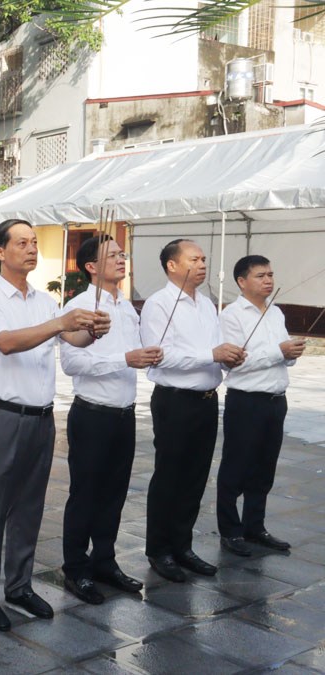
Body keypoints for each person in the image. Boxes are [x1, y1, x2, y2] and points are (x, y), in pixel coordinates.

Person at [0, 219, 109, 632]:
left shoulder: (46, 301)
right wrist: (61, 323)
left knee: (30, 508)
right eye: (22, 243)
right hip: (5, 416)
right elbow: (7, 343)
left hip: (42, 417)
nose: (32, 249)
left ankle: (19, 585)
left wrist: (92, 331)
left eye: (34, 242)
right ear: (0, 252)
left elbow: (71, 340)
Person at [59, 236, 162, 604]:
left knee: (114, 494)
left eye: (123, 254)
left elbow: (131, 353)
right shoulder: (79, 307)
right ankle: (75, 568)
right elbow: (72, 363)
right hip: (92, 413)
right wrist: (125, 359)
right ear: (90, 266)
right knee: (85, 494)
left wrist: (146, 356)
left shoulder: (127, 307)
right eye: (113, 255)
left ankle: (104, 560)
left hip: (124, 413)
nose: (122, 260)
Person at [140, 239, 245, 582]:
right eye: (194, 259)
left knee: (196, 477)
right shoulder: (159, 304)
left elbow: (212, 350)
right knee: (169, 476)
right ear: (172, 265)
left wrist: (228, 358)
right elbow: (159, 355)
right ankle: (159, 550)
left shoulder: (206, 304)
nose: (202, 265)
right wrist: (212, 355)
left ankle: (182, 545)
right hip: (175, 401)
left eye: (203, 259)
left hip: (206, 400)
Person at [217, 255, 304, 557]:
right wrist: (278, 351)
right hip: (246, 401)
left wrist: (290, 352)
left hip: (276, 400)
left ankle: (255, 526)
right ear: (242, 282)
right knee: (236, 467)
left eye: (270, 274)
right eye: (260, 276)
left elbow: (284, 358)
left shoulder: (275, 312)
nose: (268, 280)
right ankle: (230, 531)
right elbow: (234, 362)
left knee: (265, 467)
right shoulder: (232, 315)